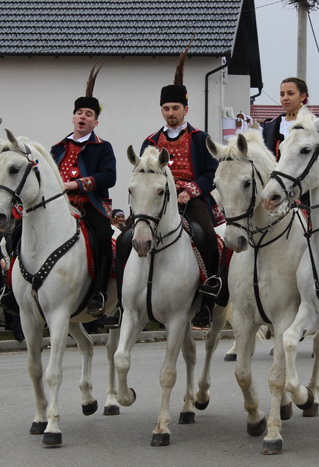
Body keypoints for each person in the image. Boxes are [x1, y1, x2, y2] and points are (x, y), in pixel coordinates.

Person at [141, 47, 225, 328]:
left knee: (208, 237)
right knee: (130, 233)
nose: (170, 113)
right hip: (156, 202)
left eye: (175, 108)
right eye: (166, 109)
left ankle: (208, 297)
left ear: (186, 109)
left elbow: (213, 172)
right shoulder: (150, 140)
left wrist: (191, 189)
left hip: (192, 201)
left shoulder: (201, 138)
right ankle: (129, 299)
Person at [50, 64, 117, 323]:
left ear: (95, 121)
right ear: (73, 117)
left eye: (88, 114)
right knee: (21, 230)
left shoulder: (103, 147)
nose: (82, 117)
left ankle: (98, 294)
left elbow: (109, 177)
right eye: (79, 112)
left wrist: (78, 185)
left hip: (90, 206)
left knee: (102, 239)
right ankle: (11, 288)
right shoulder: (57, 147)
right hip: (58, 206)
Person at [263, 77, 310, 161]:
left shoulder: (313, 123)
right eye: (282, 94)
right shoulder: (271, 126)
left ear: (302, 96)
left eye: (290, 93)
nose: (285, 98)